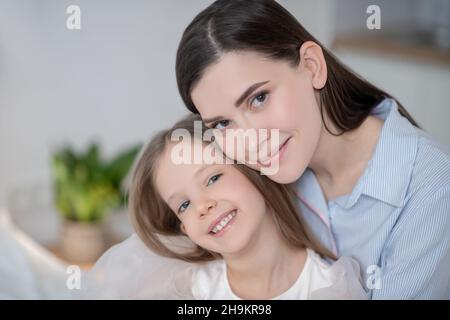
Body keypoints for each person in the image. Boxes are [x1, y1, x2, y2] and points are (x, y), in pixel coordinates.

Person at [175, 0, 450, 299]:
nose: (250, 142)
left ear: (312, 66)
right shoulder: (254, 178)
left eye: (259, 98)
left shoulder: (432, 187)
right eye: (223, 123)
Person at [81, 115, 366, 299]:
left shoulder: (331, 288)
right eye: (184, 205)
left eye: (214, 178)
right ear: (185, 229)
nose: (202, 206)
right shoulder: (187, 292)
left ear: (252, 169)